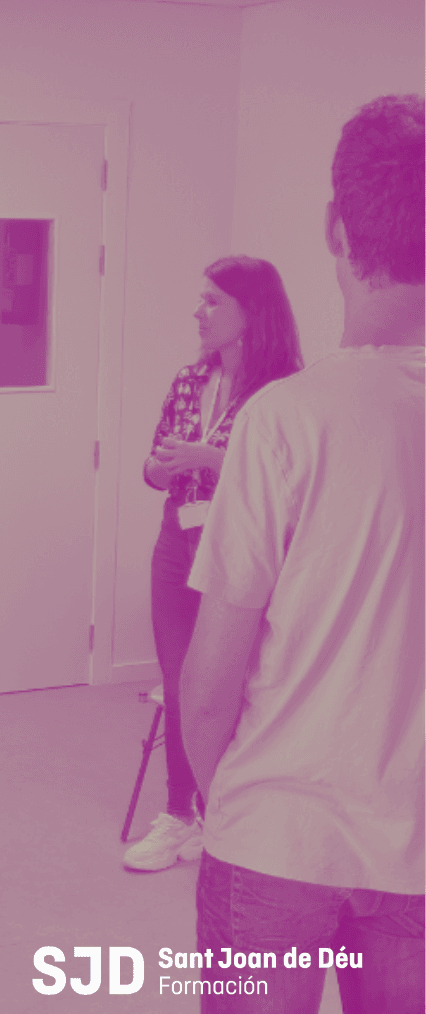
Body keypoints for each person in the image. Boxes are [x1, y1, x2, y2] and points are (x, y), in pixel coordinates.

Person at [181, 93, 424, 1012]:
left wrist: (232, 811)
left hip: (277, 837)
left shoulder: (283, 421)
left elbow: (210, 685)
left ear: (334, 228)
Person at [125, 256, 303, 873]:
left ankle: (222, 813)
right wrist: (162, 467)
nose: (197, 313)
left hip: (239, 548)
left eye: (212, 302)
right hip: (177, 540)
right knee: (180, 683)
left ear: (251, 312)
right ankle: (179, 814)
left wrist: (207, 457)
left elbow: (282, 479)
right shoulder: (188, 379)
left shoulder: (283, 392)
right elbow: (152, 465)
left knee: (230, 685)